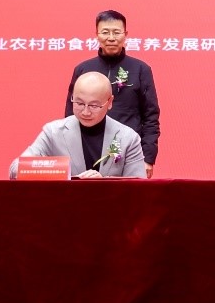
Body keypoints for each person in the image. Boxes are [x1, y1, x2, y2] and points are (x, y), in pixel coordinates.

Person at [65, 10, 160, 178]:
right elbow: (70, 115)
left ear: (125, 35)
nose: (111, 38)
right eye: (105, 32)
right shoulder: (83, 69)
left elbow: (150, 117)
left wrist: (148, 158)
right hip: (87, 149)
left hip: (128, 152)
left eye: (116, 32)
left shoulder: (141, 69)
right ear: (96, 35)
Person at [11, 72, 145, 179]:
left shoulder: (128, 138)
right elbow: (16, 169)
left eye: (94, 105)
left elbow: (138, 187)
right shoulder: (53, 132)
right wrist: (62, 173)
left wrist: (104, 184)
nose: (85, 112)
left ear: (109, 102)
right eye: (79, 103)